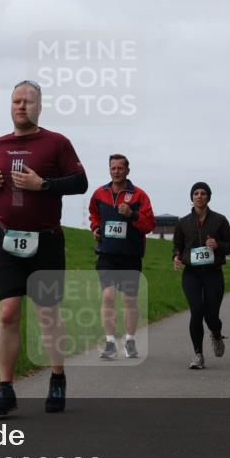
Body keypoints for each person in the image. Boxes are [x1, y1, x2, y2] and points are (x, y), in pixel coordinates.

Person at [0, 80, 87, 416]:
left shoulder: (56, 143)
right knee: (8, 312)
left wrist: (44, 185)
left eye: (27, 101)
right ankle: (6, 388)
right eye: (15, 101)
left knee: (46, 313)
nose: (20, 106)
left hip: (47, 241)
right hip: (7, 238)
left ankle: (56, 378)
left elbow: (80, 182)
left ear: (39, 106)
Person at [88, 154, 156, 359]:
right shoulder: (100, 193)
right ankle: (109, 343)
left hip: (130, 255)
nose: (116, 171)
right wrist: (96, 227)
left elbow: (149, 224)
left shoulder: (139, 195)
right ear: (109, 170)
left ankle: (130, 341)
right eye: (113, 168)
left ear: (127, 170)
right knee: (108, 297)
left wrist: (132, 215)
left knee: (129, 301)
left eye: (120, 168)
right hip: (107, 254)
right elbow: (94, 214)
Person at [172, 183, 230, 369]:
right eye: (196, 193)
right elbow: (177, 245)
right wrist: (176, 257)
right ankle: (198, 354)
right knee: (196, 311)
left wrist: (218, 245)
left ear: (208, 197)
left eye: (203, 193)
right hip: (191, 273)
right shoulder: (183, 222)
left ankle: (216, 334)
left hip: (213, 273)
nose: (199, 196)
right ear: (191, 197)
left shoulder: (219, 220)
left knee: (211, 316)